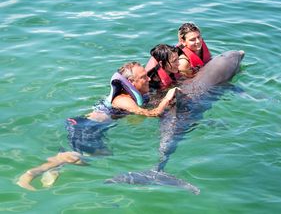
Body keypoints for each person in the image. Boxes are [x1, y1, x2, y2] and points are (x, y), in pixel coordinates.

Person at [17, 62, 178, 191]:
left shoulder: (129, 95)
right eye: (144, 77)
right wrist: (167, 99)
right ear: (131, 82)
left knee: (102, 154)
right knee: (77, 156)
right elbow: (152, 114)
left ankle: (57, 166)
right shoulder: (122, 99)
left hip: (86, 126)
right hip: (86, 128)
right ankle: (30, 174)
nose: (148, 79)